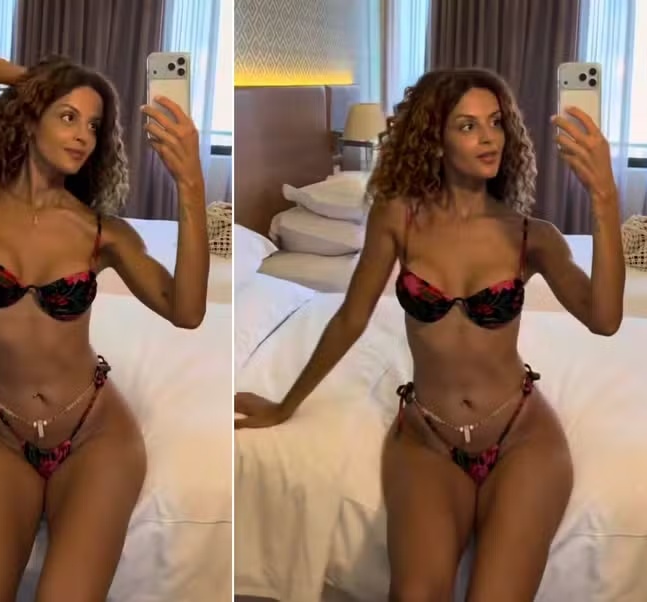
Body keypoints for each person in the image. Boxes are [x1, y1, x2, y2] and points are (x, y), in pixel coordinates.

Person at [234, 67, 625, 601]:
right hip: (429, 440)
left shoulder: (530, 236)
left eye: (495, 123)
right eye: (468, 125)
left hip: (522, 438)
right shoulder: (398, 217)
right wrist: (285, 405)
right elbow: (351, 318)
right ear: (435, 140)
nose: (488, 138)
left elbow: (605, 318)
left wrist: (604, 198)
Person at [0, 44, 209, 601]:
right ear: (31, 115)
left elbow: (186, 311)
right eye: (67, 116)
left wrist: (190, 184)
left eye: (92, 125)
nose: (83, 134)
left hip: (94, 435)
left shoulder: (100, 232)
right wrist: (45, 81)